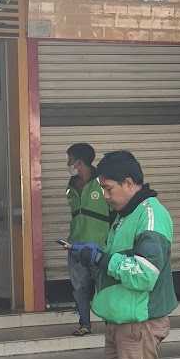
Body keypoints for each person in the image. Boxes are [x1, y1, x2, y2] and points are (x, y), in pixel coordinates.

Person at [70, 151, 177, 359]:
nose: (105, 195)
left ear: (130, 183)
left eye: (110, 187)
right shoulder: (125, 213)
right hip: (119, 321)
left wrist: (102, 258)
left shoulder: (149, 217)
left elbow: (144, 274)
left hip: (138, 322)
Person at [65, 143, 111, 336]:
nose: (67, 162)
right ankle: (84, 324)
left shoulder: (102, 182)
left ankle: (112, 324)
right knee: (79, 288)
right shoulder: (71, 185)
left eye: (70, 158)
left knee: (105, 287)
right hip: (76, 245)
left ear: (79, 161)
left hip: (99, 246)